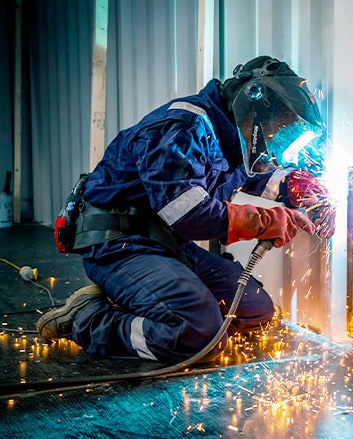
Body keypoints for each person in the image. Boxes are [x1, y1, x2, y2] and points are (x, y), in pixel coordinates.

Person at [37, 56, 336, 364]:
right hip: (120, 244)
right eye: (275, 132)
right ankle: (87, 321)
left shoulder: (233, 138)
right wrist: (265, 221)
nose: (274, 144)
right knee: (197, 332)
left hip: (167, 245)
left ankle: (148, 303)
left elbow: (247, 175)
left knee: (256, 310)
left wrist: (295, 188)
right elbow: (189, 214)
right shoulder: (183, 128)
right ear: (256, 102)